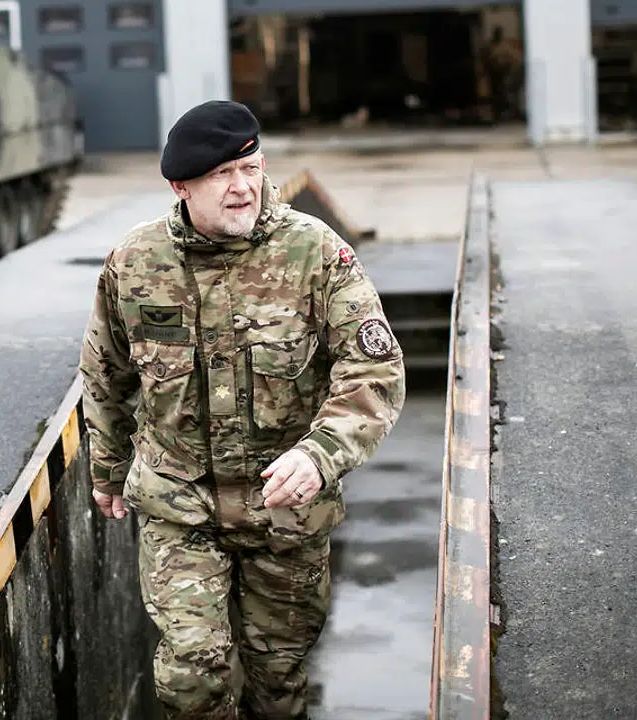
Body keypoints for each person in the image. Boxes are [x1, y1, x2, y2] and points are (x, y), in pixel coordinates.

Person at [78, 99, 407, 720]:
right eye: (221, 176)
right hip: (179, 505)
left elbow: (374, 370)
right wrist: (107, 468)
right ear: (181, 186)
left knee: (279, 681)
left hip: (285, 511)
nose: (242, 189)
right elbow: (106, 372)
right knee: (192, 675)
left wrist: (321, 454)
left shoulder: (314, 254)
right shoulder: (135, 262)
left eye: (251, 169)